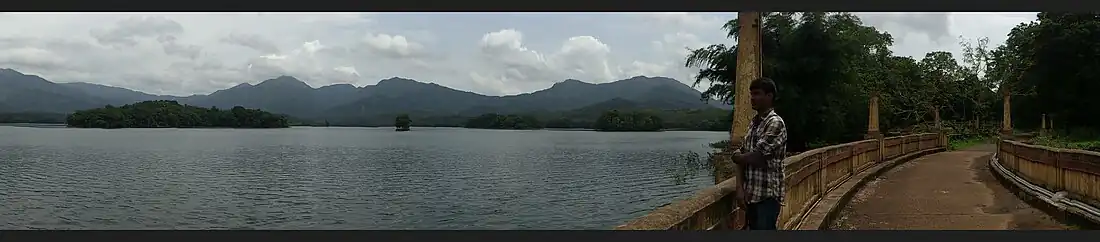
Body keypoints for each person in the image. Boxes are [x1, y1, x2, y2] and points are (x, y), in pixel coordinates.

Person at [731, 77, 787, 230]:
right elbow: (745, 156)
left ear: (769, 96)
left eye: (757, 94)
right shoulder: (754, 123)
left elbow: (756, 157)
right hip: (751, 195)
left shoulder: (775, 123)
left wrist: (738, 157)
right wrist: (739, 189)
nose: (752, 98)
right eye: (751, 94)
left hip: (767, 196)